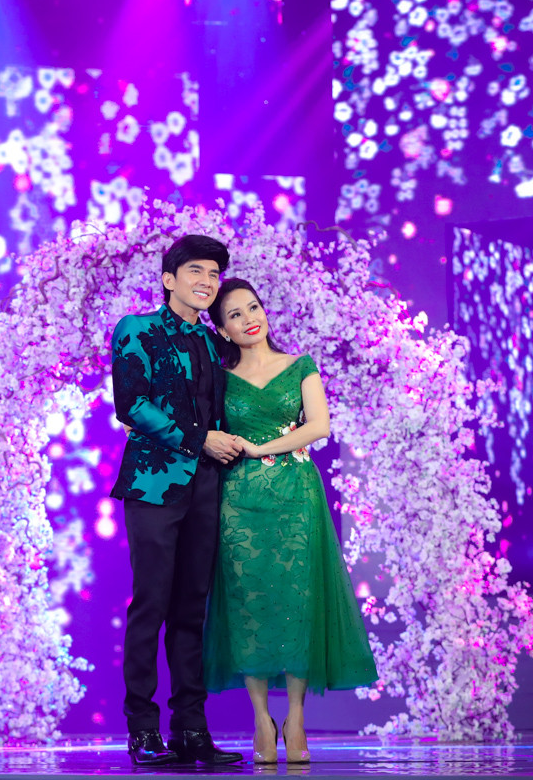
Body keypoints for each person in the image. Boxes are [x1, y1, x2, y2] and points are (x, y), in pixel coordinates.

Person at [202, 278, 378, 764]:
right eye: (235, 315)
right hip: (239, 501)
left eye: (253, 307)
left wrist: (261, 446)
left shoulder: (300, 365)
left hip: (296, 496)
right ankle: (262, 718)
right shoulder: (219, 379)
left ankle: (295, 716)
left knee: (298, 603)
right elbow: (206, 430)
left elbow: (319, 426)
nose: (249, 319)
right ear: (222, 330)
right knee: (248, 604)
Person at [109, 234, 244, 766]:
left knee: (192, 610)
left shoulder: (212, 342)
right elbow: (131, 404)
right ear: (169, 279)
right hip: (154, 484)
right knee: (152, 604)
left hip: (207, 487)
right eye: (196, 271)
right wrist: (199, 439)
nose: (207, 281)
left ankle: (191, 729)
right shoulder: (137, 329)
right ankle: (143, 731)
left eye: (213, 273)